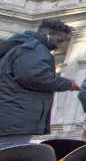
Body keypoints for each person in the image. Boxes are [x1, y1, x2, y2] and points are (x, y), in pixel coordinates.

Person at [0, 19, 79, 148]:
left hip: (9, 115)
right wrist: (66, 83)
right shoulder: (33, 48)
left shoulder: (19, 46)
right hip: (15, 118)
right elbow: (34, 76)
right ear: (48, 33)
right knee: (10, 157)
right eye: (59, 40)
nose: (58, 46)